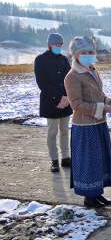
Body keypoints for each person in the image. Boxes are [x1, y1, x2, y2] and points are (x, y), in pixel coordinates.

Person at [64, 36, 111, 208]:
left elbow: (98, 94)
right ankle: (89, 197)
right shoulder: (72, 77)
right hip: (85, 127)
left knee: (100, 160)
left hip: (99, 123)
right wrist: (102, 108)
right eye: (84, 52)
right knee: (89, 162)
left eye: (91, 52)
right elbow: (77, 105)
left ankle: (98, 193)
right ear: (76, 54)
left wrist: (109, 101)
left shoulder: (93, 70)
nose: (89, 55)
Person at [34, 33, 73, 173]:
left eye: (61, 44)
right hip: (51, 102)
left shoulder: (64, 59)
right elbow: (42, 83)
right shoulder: (40, 60)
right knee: (52, 132)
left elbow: (70, 79)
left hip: (65, 102)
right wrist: (58, 98)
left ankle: (66, 158)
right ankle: (54, 160)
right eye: (57, 43)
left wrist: (67, 97)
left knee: (64, 131)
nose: (59, 46)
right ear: (49, 44)